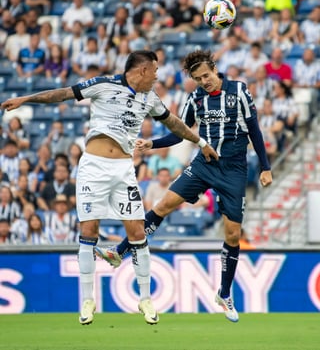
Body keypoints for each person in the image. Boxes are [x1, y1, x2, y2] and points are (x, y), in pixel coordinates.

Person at [1, 50, 218, 326]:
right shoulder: (104, 84)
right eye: (154, 70)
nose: (157, 76)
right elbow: (64, 93)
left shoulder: (149, 98)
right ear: (141, 71)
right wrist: (25, 98)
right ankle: (87, 299)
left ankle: (145, 298)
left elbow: (173, 123)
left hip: (123, 169)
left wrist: (200, 143)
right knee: (89, 231)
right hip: (93, 167)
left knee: (138, 231)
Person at [95, 50, 272, 323]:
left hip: (234, 169)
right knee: (163, 205)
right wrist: (152, 143)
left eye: (206, 75)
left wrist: (265, 167)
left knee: (233, 234)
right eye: (198, 79)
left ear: (214, 69)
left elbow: (254, 129)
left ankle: (224, 293)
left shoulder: (239, 91)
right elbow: (180, 131)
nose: (204, 81)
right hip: (204, 163)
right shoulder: (196, 98)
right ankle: (119, 252)